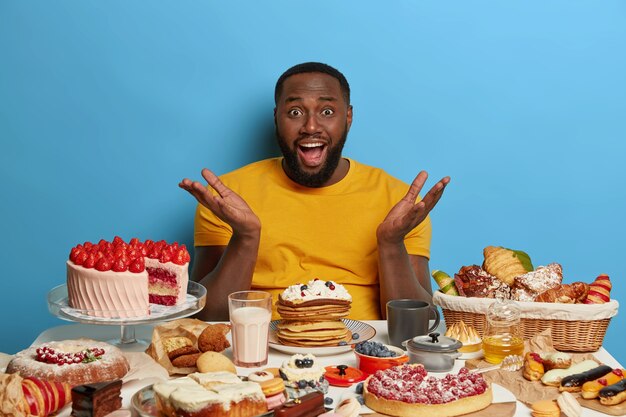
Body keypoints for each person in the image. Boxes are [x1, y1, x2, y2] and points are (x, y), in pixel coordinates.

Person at [179, 62, 450, 321]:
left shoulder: (400, 202)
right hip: (259, 349)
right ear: (277, 118)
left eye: (327, 112)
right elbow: (206, 316)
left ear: (348, 117)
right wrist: (245, 237)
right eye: (295, 112)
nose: (310, 126)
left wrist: (392, 243)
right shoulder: (227, 196)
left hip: (366, 354)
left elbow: (422, 321)